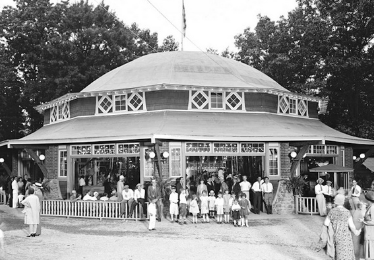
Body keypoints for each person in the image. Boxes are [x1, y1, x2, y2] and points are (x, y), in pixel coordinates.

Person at [323, 194, 360, 260]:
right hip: (346, 237)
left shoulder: (332, 211)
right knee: (346, 255)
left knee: (337, 253)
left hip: (335, 235)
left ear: (335, 202)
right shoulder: (347, 212)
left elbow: (326, 223)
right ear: (343, 202)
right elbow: (351, 226)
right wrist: (357, 232)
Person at [363, 191, 374, 260]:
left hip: (371, 231)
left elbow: (373, 221)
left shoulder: (373, 208)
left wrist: (364, 222)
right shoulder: (370, 206)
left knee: (371, 248)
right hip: (368, 231)